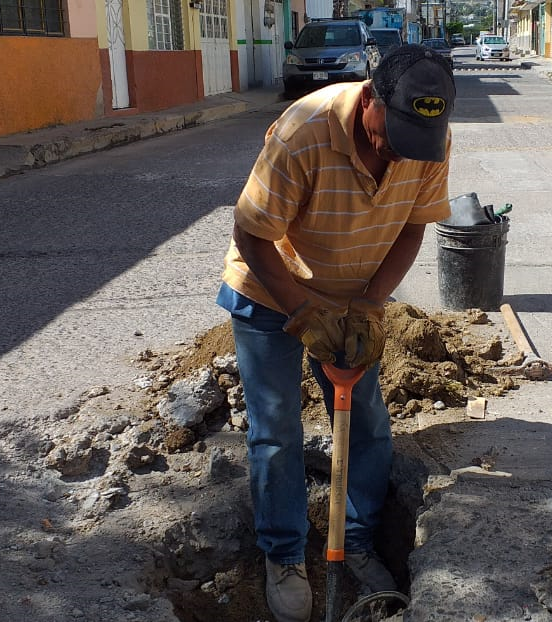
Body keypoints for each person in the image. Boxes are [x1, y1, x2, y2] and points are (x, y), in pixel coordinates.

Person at [216, 44, 454, 622]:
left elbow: (414, 229)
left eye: (412, 143)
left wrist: (372, 305)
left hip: (353, 297)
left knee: (367, 423)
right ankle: (283, 554)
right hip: (271, 290)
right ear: (370, 96)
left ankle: (356, 540)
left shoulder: (429, 137)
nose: (396, 152)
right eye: (389, 134)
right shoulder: (305, 131)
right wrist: (303, 313)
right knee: (276, 432)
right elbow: (252, 236)